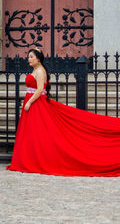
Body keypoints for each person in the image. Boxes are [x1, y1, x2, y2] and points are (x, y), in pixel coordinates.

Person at [7, 48, 120, 176]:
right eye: (28, 57)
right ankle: (30, 158)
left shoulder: (39, 71)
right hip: (34, 104)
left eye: (31, 57)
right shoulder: (36, 70)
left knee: (39, 132)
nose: (29, 59)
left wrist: (29, 102)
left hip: (36, 104)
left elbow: (39, 90)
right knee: (33, 132)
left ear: (38, 59)